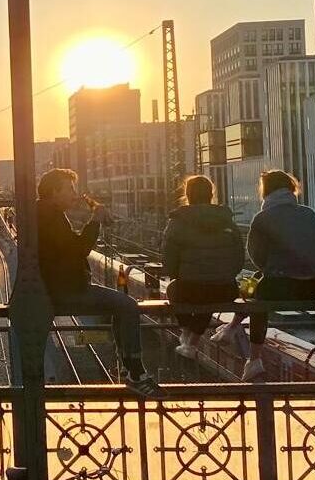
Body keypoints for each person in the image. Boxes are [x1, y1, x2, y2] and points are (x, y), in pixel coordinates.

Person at [36, 169, 161, 399]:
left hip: (57, 288)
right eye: (69, 189)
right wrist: (95, 221)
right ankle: (135, 372)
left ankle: (129, 367)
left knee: (120, 306)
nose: (75, 194)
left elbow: (69, 247)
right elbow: (78, 249)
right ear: (54, 191)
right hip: (67, 291)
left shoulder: (45, 213)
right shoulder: (49, 216)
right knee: (127, 305)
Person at [233, 170, 315, 381]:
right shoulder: (310, 214)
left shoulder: (262, 218)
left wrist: (273, 267)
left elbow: (256, 256)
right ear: (291, 189)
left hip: (280, 286)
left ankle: (254, 359)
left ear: (266, 191)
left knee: (257, 297)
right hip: (314, 286)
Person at [162, 175, 245, 360]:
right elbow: (239, 258)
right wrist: (222, 274)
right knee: (208, 295)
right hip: (226, 289)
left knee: (173, 289)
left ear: (188, 195)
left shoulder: (177, 222)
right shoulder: (227, 221)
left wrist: (184, 275)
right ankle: (191, 341)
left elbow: (168, 264)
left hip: (189, 289)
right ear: (211, 194)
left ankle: (186, 334)